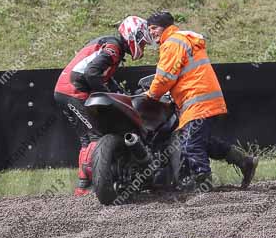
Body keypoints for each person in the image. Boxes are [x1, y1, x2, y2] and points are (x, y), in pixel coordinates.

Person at [145, 11, 258, 189]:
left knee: (191, 144)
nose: (151, 32)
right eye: (149, 29)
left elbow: (165, 78)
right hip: (204, 100)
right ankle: (245, 162)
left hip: (197, 101)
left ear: (165, 27)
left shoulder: (171, 43)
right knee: (204, 142)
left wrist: (150, 97)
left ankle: (204, 187)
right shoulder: (183, 39)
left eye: (154, 28)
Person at [54, 16, 152, 196]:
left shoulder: (112, 45)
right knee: (95, 137)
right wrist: (107, 93)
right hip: (74, 91)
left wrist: (118, 93)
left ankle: (82, 187)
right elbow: (92, 74)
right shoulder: (113, 47)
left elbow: (103, 77)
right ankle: (91, 186)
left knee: (87, 138)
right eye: (143, 42)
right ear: (133, 35)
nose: (143, 47)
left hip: (65, 90)